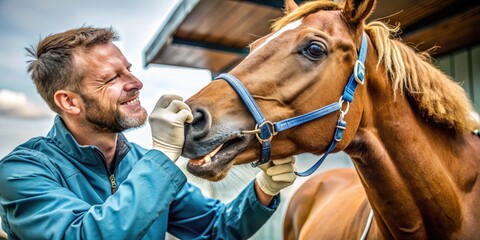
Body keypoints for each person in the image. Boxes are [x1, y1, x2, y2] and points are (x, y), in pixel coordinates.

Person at [0, 27, 297, 239]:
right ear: (69, 101)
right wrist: (163, 155)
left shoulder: (145, 164)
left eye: (128, 69)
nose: (136, 82)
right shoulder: (21, 171)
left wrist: (263, 189)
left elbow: (215, 228)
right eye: (112, 77)